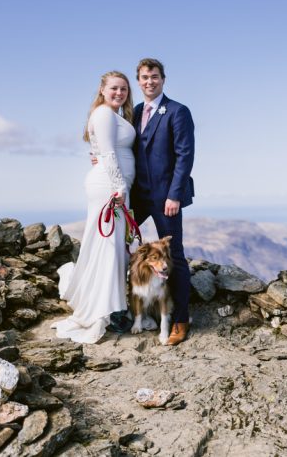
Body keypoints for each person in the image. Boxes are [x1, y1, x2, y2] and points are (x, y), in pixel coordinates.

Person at [54, 71, 136, 344]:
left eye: (124, 89)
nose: (119, 93)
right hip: (110, 189)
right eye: (114, 88)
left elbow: (104, 149)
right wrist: (120, 187)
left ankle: (112, 306)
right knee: (108, 246)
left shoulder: (114, 116)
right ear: (102, 89)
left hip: (114, 187)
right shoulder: (103, 114)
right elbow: (110, 154)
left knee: (113, 247)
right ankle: (105, 310)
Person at [130, 57, 195, 346]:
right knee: (118, 247)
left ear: (163, 79)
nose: (149, 81)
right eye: (144, 77)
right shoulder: (134, 112)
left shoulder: (178, 111)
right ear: (138, 80)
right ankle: (128, 311)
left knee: (175, 258)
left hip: (166, 198)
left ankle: (180, 320)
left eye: (154, 76)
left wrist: (174, 194)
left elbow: (185, 156)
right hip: (137, 196)